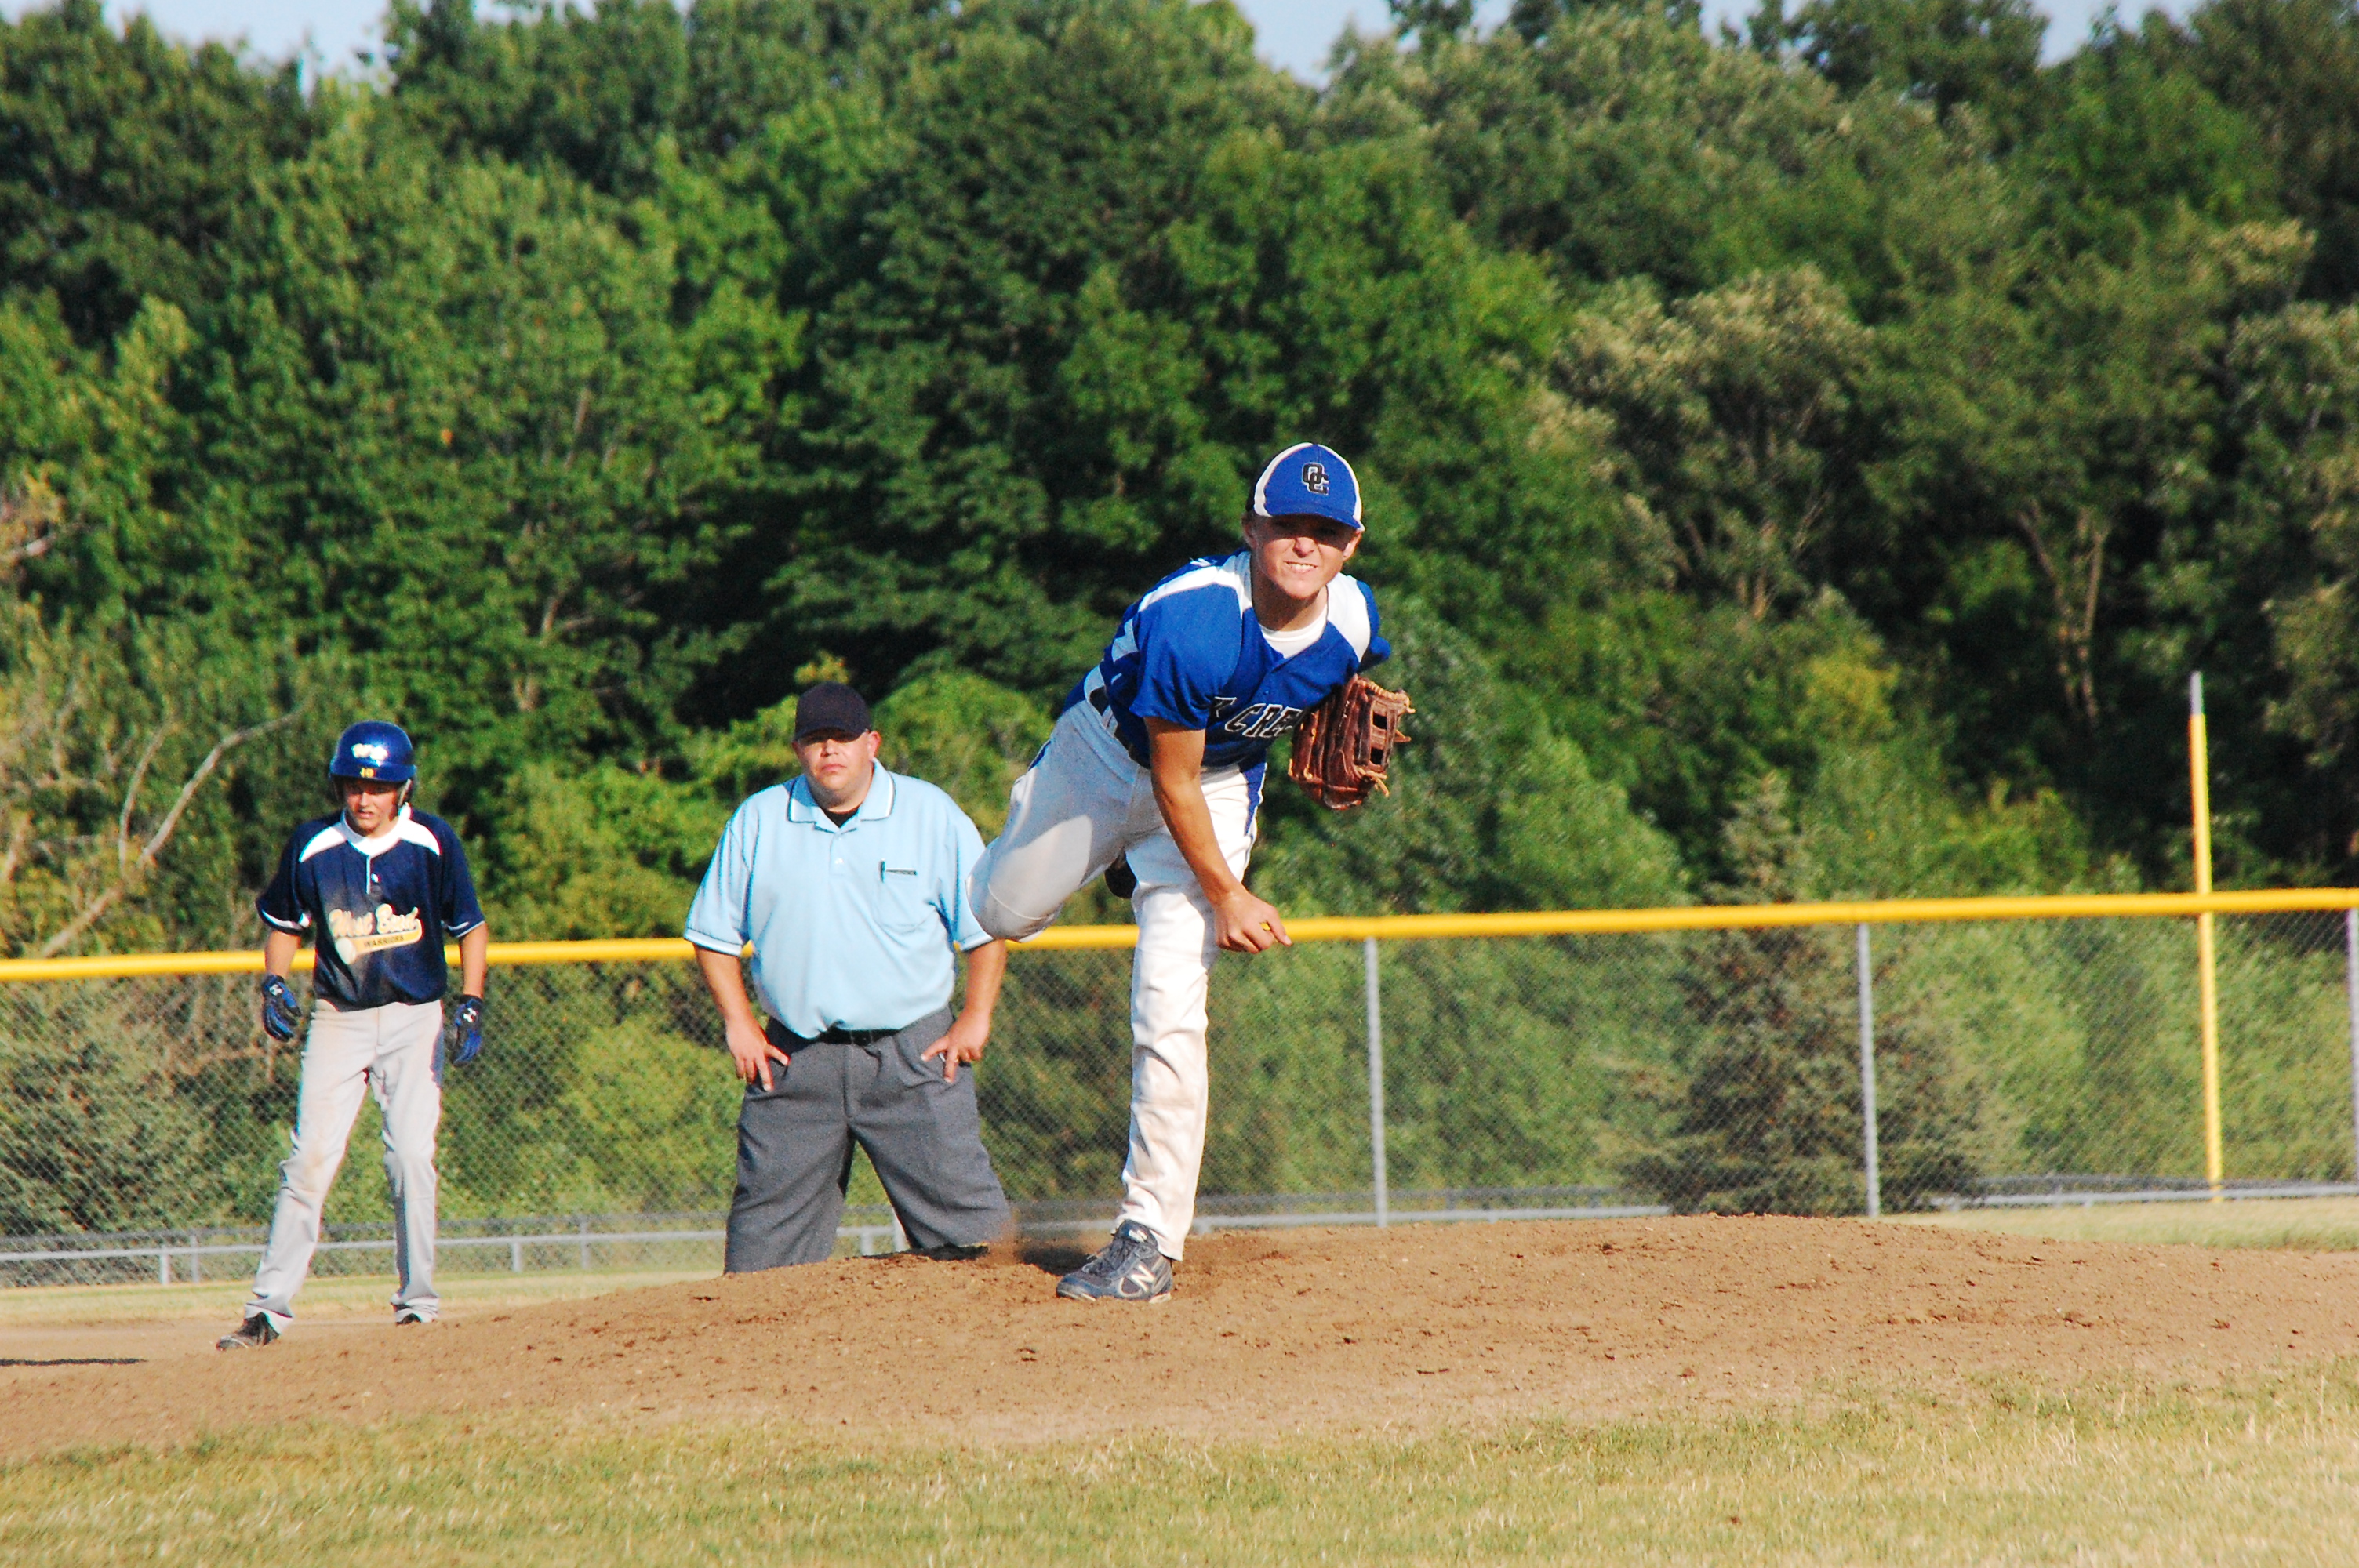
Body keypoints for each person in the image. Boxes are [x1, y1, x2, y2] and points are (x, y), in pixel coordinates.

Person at [969, 441, 1387, 1303]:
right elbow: (1170, 779)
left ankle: (1149, 1241)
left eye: (1325, 530)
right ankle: (1100, 852)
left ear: (1352, 544)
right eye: (1286, 524)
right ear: (1250, 529)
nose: (1304, 544)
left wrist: (1322, 713)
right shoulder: (1195, 618)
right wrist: (1227, 893)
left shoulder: (1353, 621)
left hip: (1222, 783)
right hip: (1106, 757)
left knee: (1170, 1010)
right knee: (999, 911)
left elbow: (1332, 683)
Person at [684, 681, 1013, 1270]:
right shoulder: (760, 819)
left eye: (842, 737)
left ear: (872, 743)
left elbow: (985, 926)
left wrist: (976, 1015)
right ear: (798, 750)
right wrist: (739, 1023)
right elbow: (712, 935)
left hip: (915, 1055)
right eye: (815, 739)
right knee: (761, 1257)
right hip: (793, 1059)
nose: (829, 749)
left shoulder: (929, 813)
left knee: (976, 1246)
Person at [216, 721, 489, 1349]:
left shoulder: (431, 841)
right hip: (340, 1018)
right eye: (354, 785)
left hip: (415, 1016)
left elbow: (469, 926)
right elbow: (285, 925)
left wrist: (472, 1001)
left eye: (380, 787)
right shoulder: (315, 843)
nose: (365, 798)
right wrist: (274, 983)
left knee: (411, 1158)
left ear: (404, 789)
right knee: (309, 1160)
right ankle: (267, 1311)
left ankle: (418, 1305)